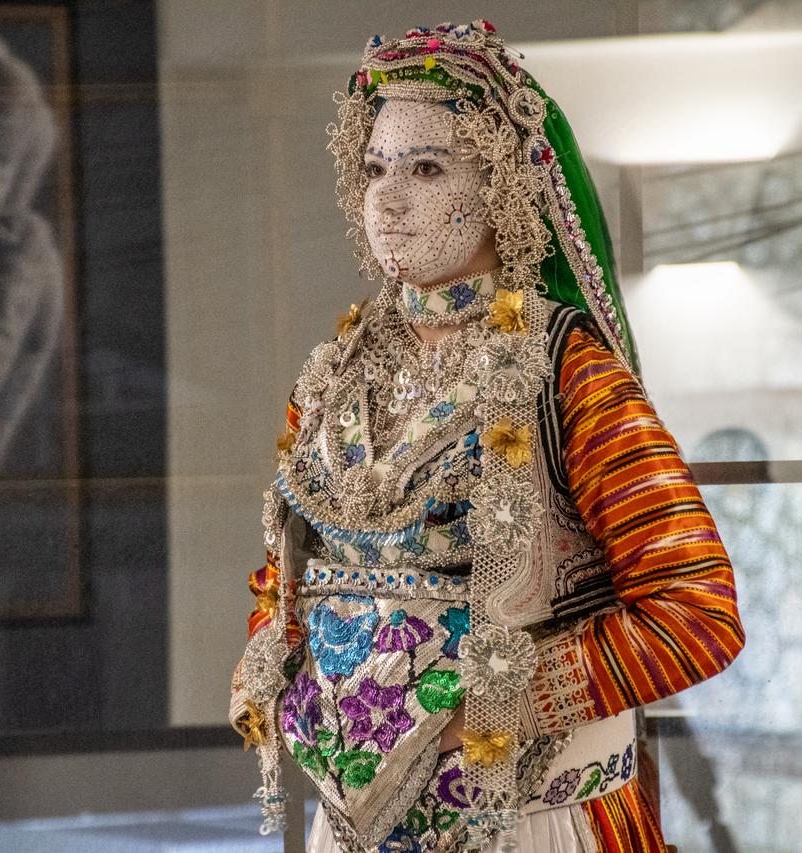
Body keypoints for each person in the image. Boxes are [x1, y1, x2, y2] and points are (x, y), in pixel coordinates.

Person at [230, 20, 745, 853]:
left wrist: (500, 704)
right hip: (349, 826)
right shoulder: (333, 375)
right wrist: (273, 656)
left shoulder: (565, 372)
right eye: (375, 168)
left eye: (428, 168)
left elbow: (697, 611)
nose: (389, 198)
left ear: (502, 183)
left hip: (528, 821)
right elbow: (289, 564)